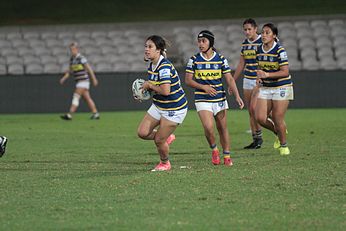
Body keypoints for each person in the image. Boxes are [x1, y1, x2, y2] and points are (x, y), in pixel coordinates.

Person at [185, 30, 244, 166]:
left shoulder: (221, 59)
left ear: (211, 42)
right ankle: (214, 149)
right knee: (208, 127)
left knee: (223, 128)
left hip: (219, 99)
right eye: (199, 41)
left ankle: (227, 155)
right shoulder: (194, 60)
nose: (200, 44)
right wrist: (203, 87)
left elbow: (229, 78)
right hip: (202, 99)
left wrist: (237, 96)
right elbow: (188, 80)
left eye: (203, 41)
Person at [137, 35, 188, 172]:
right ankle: (167, 136)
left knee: (159, 140)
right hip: (160, 105)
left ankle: (165, 163)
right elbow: (156, 87)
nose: (146, 50)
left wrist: (149, 85)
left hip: (174, 108)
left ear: (158, 50)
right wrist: (143, 93)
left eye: (150, 47)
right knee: (142, 133)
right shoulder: (152, 64)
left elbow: (166, 91)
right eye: (145, 46)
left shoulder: (164, 67)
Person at [255, 23, 294, 155]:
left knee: (277, 117)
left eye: (267, 33)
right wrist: (259, 76)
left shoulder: (280, 51)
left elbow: (285, 71)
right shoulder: (259, 49)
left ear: (274, 35)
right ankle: (278, 132)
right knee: (260, 118)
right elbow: (260, 66)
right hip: (266, 87)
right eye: (262, 32)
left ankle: (284, 145)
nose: (263, 35)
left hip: (282, 86)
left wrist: (267, 75)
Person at [233, 18, 264, 149]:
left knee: (255, 110)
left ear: (255, 29)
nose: (247, 32)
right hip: (248, 79)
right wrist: (233, 80)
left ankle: (277, 131)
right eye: (245, 29)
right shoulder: (245, 44)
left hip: (260, 80)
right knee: (250, 112)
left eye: (249, 29)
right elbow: (241, 63)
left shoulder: (264, 41)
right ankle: (256, 139)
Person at [59, 42, 100, 120]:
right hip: (79, 82)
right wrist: (64, 78)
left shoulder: (81, 58)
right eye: (71, 50)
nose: (72, 51)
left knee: (76, 96)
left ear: (77, 49)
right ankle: (95, 113)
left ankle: (70, 114)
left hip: (83, 81)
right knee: (87, 98)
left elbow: (89, 69)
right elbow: (70, 71)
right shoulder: (72, 59)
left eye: (73, 49)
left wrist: (94, 79)